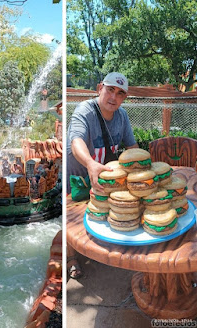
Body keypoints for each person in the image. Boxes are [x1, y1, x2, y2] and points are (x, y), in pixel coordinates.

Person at [66, 72, 139, 279]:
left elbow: (131, 146)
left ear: (124, 97)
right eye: (110, 90)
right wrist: (90, 163)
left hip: (103, 179)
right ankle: (72, 257)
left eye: (120, 93)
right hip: (78, 178)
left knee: (104, 213)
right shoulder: (85, 111)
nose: (113, 97)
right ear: (100, 88)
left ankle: (106, 249)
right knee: (72, 220)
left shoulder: (122, 116)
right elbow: (76, 141)